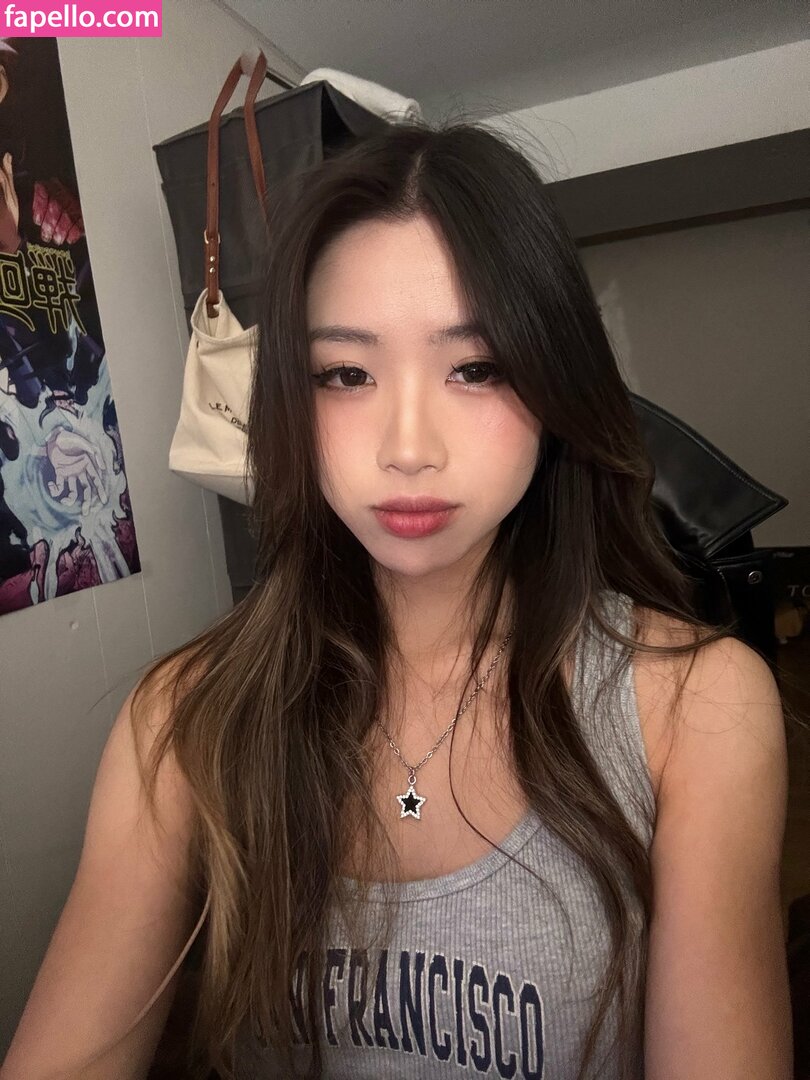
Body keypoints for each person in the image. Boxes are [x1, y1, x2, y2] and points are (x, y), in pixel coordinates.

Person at [0, 118, 793, 1080]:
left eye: (476, 368)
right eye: (347, 374)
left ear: (556, 387)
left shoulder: (696, 709)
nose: (407, 448)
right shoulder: (183, 719)